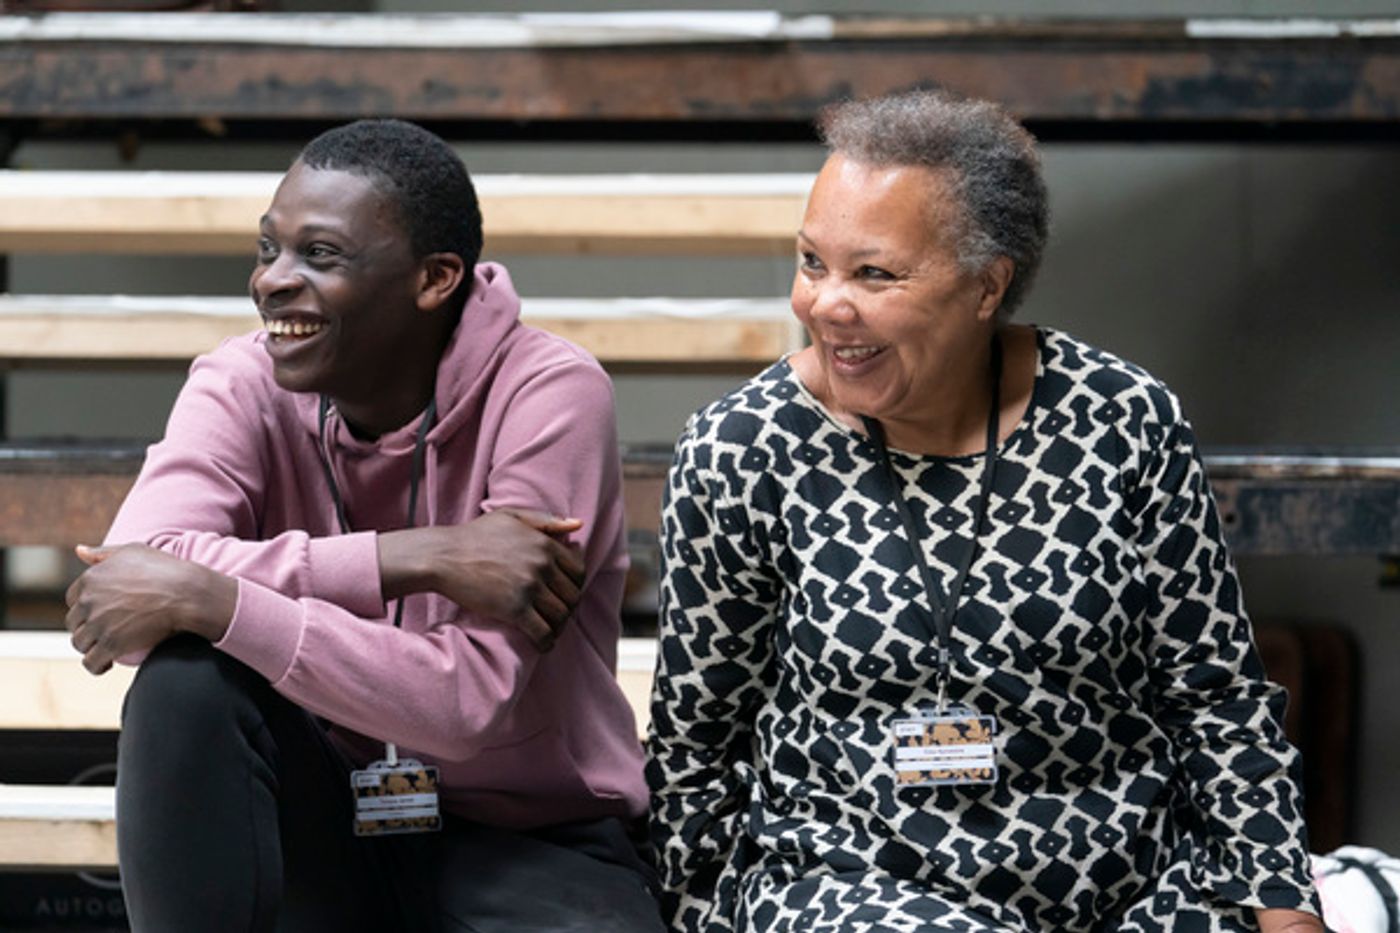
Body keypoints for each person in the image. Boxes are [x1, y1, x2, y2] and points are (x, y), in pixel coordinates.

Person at [646, 90, 1324, 931]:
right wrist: (696, 914)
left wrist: (1286, 906)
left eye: (874, 273)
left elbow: (1214, 693)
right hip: (854, 885)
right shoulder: (744, 449)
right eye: (812, 262)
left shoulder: (1122, 418)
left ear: (985, 287)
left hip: (1128, 882)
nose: (824, 304)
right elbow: (696, 745)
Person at [63, 119, 664, 933]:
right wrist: (407, 559)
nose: (272, 281)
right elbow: (128, 594)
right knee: (183, 683)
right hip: (321, 818)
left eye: (320, 255)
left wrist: (214, 596)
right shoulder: (243, 378)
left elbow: (466, 702)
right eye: (268, 248)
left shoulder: (549, 393)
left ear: (435, 279)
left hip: (527, 837)